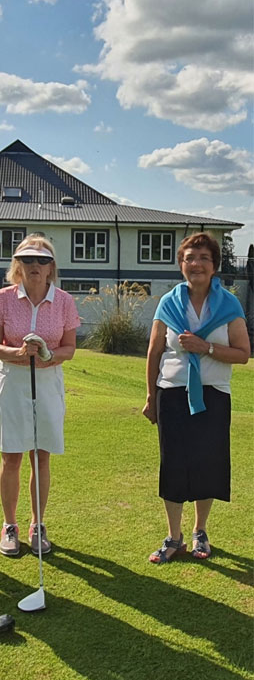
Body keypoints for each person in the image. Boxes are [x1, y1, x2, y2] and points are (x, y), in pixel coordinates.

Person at [142, 232, 250, 563]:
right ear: (181, 265)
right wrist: (150, 396)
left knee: (207, 464)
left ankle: (200, 530)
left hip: (213, 396)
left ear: (214, 265)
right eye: (190, 258)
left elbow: (243, 354)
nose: (196, 264)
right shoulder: (168, 303)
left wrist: (208, 348)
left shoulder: (229, 304)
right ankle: (174, 537)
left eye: (203, 257)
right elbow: (155, 351)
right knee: (173, 465)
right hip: (172, 395)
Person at [0, 234, 81, 556]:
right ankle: (10, 525)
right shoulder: (4, 298)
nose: (34, 266)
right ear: (18, 265)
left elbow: (69, 348)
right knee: (11, 455)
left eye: (41, 260)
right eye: (27, 260)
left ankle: (37, 523)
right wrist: (17, 352)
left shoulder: (65, 301)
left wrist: (46, 354)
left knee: (41, 456)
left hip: (48, 382)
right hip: (12, 381)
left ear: (51, 266)